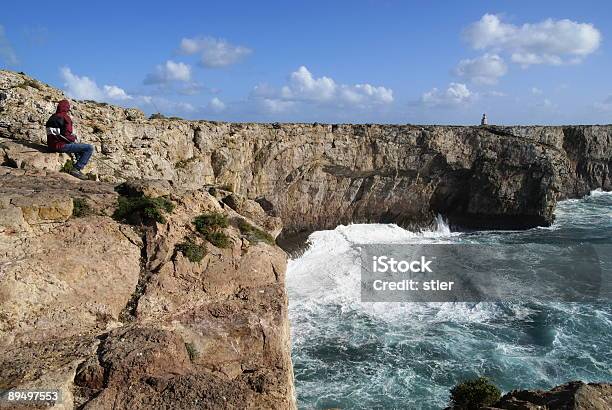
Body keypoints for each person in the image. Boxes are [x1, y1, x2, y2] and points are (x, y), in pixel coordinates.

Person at [46, 99, 94, 180]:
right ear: (67, 108)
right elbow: (67, 136)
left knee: (77, 147)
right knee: (89, 148)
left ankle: (76, 166)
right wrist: (73, 137)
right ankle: (76, 169)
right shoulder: (65, 118)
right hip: (60, 146)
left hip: (51, 145)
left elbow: (56, 134)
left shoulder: (52, 117)